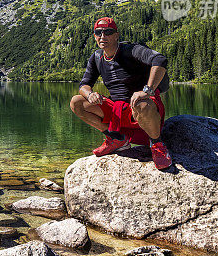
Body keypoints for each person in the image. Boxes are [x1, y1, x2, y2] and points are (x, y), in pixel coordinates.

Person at [70, 17, 173, 170]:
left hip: (140, 106)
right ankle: (116, 139)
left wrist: (148, 90)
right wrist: (90, 93)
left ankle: (157, 144)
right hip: (117, 109)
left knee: (142, 104)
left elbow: (160, 60)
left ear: (116, 35)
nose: (103, 36)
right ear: (94, 36)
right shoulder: (97, 57)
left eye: (108, 32)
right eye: (99, 33)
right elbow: (84, 85)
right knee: (76, 102)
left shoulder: (131, 50)